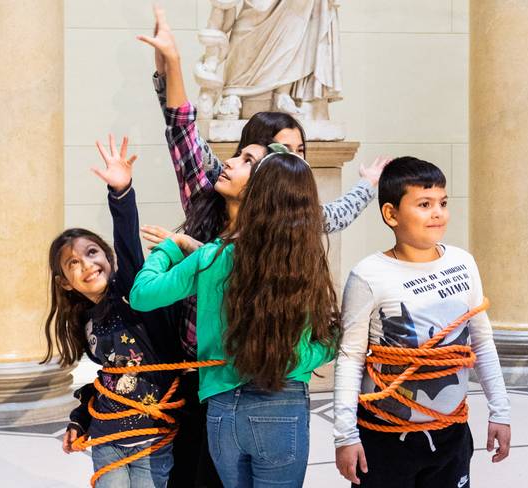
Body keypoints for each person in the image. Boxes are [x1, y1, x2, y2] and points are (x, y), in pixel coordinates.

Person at [130, 150, 340, 487]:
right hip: (282, 404)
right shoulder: (304, 262)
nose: (231, 162)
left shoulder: (213, 255)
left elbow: (143, 295)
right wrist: (312, 352)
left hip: (222, 407)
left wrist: (170, 248)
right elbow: (326, 342)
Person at [333, 157, 512, 487]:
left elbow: (482, 342)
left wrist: (500, 410)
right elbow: (350, 357)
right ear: (391, 214)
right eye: (424, 204)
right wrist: (345, 434)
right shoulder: (369, 275)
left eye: (443, 203)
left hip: (451, 433)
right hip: (385, 438)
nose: (438, 213)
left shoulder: (463, 262)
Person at [48, 135, 199, 487]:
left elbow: (129, 245)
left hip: (153, 436)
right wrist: (79, 419)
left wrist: (121, 194)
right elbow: (110, 378)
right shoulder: (85, 321)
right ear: (66, 282)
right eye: (73, 262)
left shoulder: (134, 293)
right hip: (107, 437)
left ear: (108, 257)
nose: (86, 264)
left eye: (91, 252)